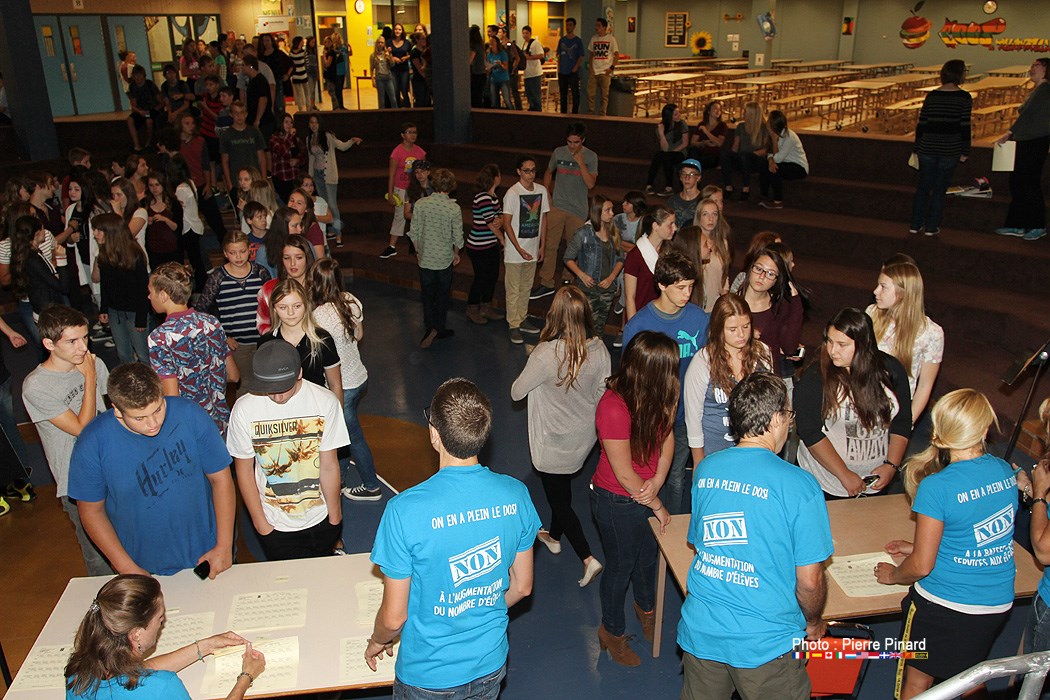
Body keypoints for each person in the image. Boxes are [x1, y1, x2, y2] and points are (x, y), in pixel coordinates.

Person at [365, 378, 540, 693]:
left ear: (434, 433)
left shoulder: (404, 511)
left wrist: (377, 641)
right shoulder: (516, 495)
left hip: (428, 675)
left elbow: (393, 618)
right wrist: (477, 611)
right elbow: (523, 586)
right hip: (490, 663)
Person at [679, 372, 832, 700]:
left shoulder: (706, 468)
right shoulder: (800, 485)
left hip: (702, 630)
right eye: (788, 416)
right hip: (766, 642)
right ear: (777, 418)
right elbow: (809, 581)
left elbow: (702, 541)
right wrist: (814, 621)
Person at [875, 389, 1017, 699]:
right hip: (996, 603)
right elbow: (982, 532)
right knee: (968, 675)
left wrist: (894, 575)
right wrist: (919, 545)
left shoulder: (937, 487)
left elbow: (922, 567)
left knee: (917, 680)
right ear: (983, 430)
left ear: (937, 431)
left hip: (944, 606)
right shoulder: (1005, 472)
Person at [69, 362, 235, 577]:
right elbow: (91, 511)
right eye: (139, 418)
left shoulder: (191, 414)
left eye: (158, 410)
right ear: (117, 410)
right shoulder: (92, 443)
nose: (153, 423)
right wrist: (126, 567)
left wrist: (224, 545)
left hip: (206, 552)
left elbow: (221, 479)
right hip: (140, 562)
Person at [512, 286, 608, 587]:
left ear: (555, 316)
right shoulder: (601, 350)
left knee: (560, 501)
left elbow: (516, 392)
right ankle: (553, 538)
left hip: (552, 441)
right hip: (582, 440)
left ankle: (587, 557)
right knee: (561, 488)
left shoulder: (545, 355)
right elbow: (603, 393)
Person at [591, 331, 676, 666]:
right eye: (670, 368)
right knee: (620, 567)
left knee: (647, 560)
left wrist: (657, 480)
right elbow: (625, 474)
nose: (675, 375)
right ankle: (610, 632)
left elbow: (667, 441)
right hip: (617, 501)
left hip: (645, 491)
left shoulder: (660, 395)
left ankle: (646, 609)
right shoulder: (613, 407)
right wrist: (656, 503)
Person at [229, 339, 348, 560]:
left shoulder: (325, 401)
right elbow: (244, 470)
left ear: (299, 373)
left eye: (284, 387)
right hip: (274, 523)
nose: (277, 396)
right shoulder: (244, 409)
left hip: (320, 517)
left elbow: (329, 465)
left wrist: (335, 516)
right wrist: (261, 524)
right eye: (269, 390)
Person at [64, 574, 265, 700]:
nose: (163, 622)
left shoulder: (78, 671)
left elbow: (136, 673)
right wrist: (246, 677)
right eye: (160, 619)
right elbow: (146, 680)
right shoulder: (162, 687)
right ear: (136, 634)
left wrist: (205, 646)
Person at [22, 305, 113, 576]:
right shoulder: (37, 386)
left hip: (111, 467)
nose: (82, 348)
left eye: (84, 338)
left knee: (131, 542)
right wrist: (89, 377)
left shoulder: (94, 363)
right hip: (77, 480)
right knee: (98, 556)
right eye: (72, 341)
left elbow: (111, 412)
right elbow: (82, 428)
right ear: (49, 343)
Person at [623, 252, 710, 515]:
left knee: (675, 478)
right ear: (661, 284)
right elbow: (630, 378)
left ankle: (668, 528)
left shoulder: (699, 319)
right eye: (680, 287)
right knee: (651, 474)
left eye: (691, 286)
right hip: (654, 417)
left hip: (688, 414)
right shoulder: (640, 325)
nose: (687, 293)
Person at [794, 308, 912, 498]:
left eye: (842, 344)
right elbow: (810, 431)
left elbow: (902, 422)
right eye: (830, 342)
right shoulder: (815, 377)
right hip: (825, 482)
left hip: (874, 480)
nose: (833, 351)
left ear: (863, 344)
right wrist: (844, 474)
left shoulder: (891, 371)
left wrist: (891, 465)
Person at [310, 258, 381, 501]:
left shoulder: (318, 315)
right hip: (359, 376)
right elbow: (359, 335)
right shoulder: (351, 300)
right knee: (342, 432)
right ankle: (339, 478)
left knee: (353, 438)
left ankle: (371, 485)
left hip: (341, 385)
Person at [148, 262, 237, 434]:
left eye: (150, 291)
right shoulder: (212, 323)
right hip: (220, 424)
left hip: (190, 428)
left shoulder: (159, 338)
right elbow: (233, 375)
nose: (148, 296)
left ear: (164, 295)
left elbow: (172, 397)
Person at [685, 293, 772, 464]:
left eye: (746, 326)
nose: (741, 334)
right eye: (732, 330)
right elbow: (693, 417)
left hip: (753, 452)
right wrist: (698, 462)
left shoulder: (762, 353)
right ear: (718, 329)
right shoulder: (703, 360)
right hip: (714, 452)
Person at [867, 261, 944, 425]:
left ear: (902, 293)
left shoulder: (931, 333)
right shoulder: (871, 314)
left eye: (883, 286)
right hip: (862, 400)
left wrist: (907, 423)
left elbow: (924, 386)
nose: (875, 291)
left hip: (896, 409)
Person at [533, 122, 598, 299]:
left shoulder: (591, 157)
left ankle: (568, 279)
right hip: (557, 206)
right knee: (550, 246)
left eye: (576, 142)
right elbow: (548, 172)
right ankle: (546, 282)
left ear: (583, 140)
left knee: (573, 249)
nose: (572, 146)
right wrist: (547, 193)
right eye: (569, 141)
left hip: (577, 210)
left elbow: (591, 184)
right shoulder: (558, 152)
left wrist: (581, 163)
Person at [909, 60, 971, 236]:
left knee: (922, 188)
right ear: (960, 74)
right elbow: (964, 126)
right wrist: (965, 150)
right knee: (939, 190)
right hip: (949, 149)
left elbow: (922, 124)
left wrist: (917, 146)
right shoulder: (964, 97)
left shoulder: (932, 96)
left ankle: (915, 225)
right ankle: (931, 227)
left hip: (927, 148)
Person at [408, 168, 464, 349]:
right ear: (451, 186)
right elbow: (458, 236)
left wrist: (418, 252)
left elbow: (414, 231)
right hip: (444, 259)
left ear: (434, 183)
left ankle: (429, 326)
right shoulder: (453, 208)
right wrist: (456, 252)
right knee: (442, 296)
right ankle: (439, 327)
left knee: (427, 295)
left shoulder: (422, 204)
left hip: (426, 259)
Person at [995, 58, 1050, 241]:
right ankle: (1017, 223)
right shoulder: (1038, 89)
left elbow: (1027, 115)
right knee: (1019, 181)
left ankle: (1037, 225)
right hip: (1027, 140)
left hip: (1034, 141)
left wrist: (1009, 132)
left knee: (1029, 182)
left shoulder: (1045, 89)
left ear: (1045, 69)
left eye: (1036, 65)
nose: (1031, 68)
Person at [263, 277, 341, 398]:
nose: (290, 313)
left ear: (305, 306)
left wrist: (337, 415)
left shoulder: (322, 339)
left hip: (316, 405)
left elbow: (335, 384)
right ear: (274, 309)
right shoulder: (266, 342)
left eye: (297, 306)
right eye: (283, 307)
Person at [739, 246, 804, 391]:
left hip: (768, 385)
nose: (762, 276)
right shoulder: (732, 304)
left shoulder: (779, 307)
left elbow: (789, 347)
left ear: (776, 280)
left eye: (770, 274)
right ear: (751, 268)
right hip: (736, 381)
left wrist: (796, 305)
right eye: (759, 269)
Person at [91, 213, 150, 364]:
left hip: (134, 313)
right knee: (123, 354)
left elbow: (143, 288)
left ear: (111, 232)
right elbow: (105, 283)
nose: (94, 234)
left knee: (143, 354)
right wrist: (103, 309)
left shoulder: (134, 254)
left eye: (98, 230)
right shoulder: (104, 254)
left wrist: (141, 318)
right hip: (114, 312)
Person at [503, 156, 549, 344]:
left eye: (533, 170)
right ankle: (513, 324)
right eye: (527, 171)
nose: (531, 175)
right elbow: (506, 224)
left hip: (532, 248)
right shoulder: (513, 193)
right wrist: (518, 248)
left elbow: (543, 219)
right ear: (519, 172)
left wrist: (542, 245)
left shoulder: (542, 191)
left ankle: (522, 318)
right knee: (513, 289)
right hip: (515, 252)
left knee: (526, 287)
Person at [563, 194, 623, 336]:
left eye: (612, 209)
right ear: (597, 212)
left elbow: (620, 258)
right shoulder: (584, 233)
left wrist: (611, 278)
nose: (612, 213)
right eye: (607, 210)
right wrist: (581, 275)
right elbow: (568, 257)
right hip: (587, 289)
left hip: (607, 289)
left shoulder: (614, 231)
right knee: (584, 327)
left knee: (599, 328)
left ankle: (595, 353)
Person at [305, 114, 362, 247]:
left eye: (316, 122)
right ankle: (331, 229)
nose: (314, 125)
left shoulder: (328, 137)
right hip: (318, 175)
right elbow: (311, 159)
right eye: (311, 122)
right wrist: (310, 178)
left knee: (332, 203)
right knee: (324, 203)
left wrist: (352, 140)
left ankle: (338, 233)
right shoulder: (309, 139)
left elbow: (342, 146)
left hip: (328, 175)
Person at [466, 164, 506, 325]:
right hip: (478, 245)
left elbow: (500, 218)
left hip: (490, 244)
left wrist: (500, 220)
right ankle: (472, 308)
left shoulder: (493, 196)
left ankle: (486, 306)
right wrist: (502, 239)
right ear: (495, 178)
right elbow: (491, 222)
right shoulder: (482, 197)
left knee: (492, 276)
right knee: (481, 277)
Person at [623, 205, 676, 321]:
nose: (675, 228)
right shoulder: (635, 256)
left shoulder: (670, 253)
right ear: (655, 226)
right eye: (670, 224)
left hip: (664, 317)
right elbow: (630, 298)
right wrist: (634, 326)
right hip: (642, 318)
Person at [381, 122, 426, 259]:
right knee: (400, 215)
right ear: (402, 135)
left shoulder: (420, 152)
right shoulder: (397, 152)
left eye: (414, 132)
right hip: (400, 188)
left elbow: (424, 173)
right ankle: (392, 246)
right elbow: (392, 174)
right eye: (409, 132)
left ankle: (417, 243)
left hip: (416, 189)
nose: (412, 135)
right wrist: (391, 194)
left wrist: (425, 191)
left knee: (417, 215)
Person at [759, 109, 809, 210]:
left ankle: (778, 201)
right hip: (784, 163)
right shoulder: (773, 133)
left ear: (773, 125)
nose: (766, 123)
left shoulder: (789, 136)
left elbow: (777, 158)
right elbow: (769, 152)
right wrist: (770, 160)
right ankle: (764, 196)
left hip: (798, 167)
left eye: (769, 121)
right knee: (764, 165)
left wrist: (774, 141)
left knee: (776, 168)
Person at [721, 101, 770, 201]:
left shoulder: (764, 128)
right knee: (726, 154)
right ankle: (728, 187)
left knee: (745, 155)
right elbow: (735, 146)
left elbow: (766, 150)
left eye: (745, 111)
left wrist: (750, 155)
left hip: (757, 160)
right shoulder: (741, 127)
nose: (743, 113)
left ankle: (746, 188)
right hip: (742, 158)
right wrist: (732, 158)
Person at [692, 196, 730, 311]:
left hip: (717, 305)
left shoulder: (723, 243)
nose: (711, 219)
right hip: (697, 304)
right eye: (705, 214)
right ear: (699, 217)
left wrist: (725, 292)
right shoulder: (693, 242)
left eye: (714, 214)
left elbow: (725, 272)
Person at [220, 101, 267, 193]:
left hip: (255, 180)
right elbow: (224, 161)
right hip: (237, 181)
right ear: (231, 114)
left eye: (242, 112)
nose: (239, 116)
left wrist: (264, 179)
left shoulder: (255, 132)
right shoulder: (226, 135)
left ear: (246, 114)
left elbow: (262, 158)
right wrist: (229, 183)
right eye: (236, 113)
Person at [142, 171, 183, 271]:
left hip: (172, 248)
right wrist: (147, 221)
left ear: (163, 185)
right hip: (153, 249)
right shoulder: (144, 203)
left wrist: (164, 219)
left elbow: (178, 227)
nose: (154, 188)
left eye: (157, 185)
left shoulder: (174, 203)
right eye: (151, 185)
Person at [646, 105, 689, 196]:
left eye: (678, 113)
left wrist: (672, 152)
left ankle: (669, 187)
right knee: (658, 156)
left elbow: (685, 143)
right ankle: (649, 185)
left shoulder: (682, 124)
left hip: (679, 152)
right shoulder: (661, 127)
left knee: (666, 156)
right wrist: (661, 134)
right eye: (675, 115)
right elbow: (664, 148)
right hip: (666, 152)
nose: (679, 116)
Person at [126, 65, 163, 152]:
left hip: (152, 110)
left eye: (139, 75)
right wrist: (139, 111)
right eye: (135, 75)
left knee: (149, 121)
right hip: (141, 111)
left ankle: (148, 143)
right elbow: (133, 104)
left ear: (143, 75)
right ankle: (137, 145)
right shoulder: (132, 87)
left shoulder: (150, 85)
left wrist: (154, 109)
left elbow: (161, 102)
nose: (137, 77)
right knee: (130, 120)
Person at [586, 18, 618, 116]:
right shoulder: (594, 39)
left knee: (604, 95)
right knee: (590, 93)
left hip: (605, 71)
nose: (596, 28)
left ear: (604, 27)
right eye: (596, 25)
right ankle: (591, 112)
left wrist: (611, 68)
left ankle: (602, 113)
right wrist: (591, 68)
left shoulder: (611, 39)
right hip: (594, 70)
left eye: (599, 26)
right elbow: (591, 54)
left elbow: (616, 55)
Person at [269, 114, 301, 204]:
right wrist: (289, 137)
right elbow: (281, 151)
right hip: (281, 177)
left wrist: (298, 161)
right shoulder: (274, 139)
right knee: (285, 205)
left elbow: (303, 154)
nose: (289, 125)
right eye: (286, 122)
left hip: (294, 177)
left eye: (291, 122)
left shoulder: (296, 139)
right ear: (281, 123)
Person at [557, 18, 585, 114]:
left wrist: (575, 67)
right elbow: (559, 55)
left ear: (573, 26)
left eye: (570, 25)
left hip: (572, 72)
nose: (568, 27)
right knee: (563, 95)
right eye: (567, 25)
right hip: (562, 71)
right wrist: (559, 69)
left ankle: (575, 113)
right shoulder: (562, 40)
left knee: (575, 94)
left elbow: (581, 56)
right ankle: (563, 113)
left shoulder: (578, 41)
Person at [668, 158, 704, 231]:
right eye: (684, 174)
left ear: (698, 177)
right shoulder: (672, 201)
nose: (687, 178)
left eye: (692, 174)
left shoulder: (704, 200)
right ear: (680, 177)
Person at [689, 100, 727, 170]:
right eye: (715, 109)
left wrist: (706, 131)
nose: (718, 111)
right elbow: (693, 142)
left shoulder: (722, 125)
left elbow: (719, 143)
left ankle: (694, 168)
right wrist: (703, 143)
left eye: (719, 109)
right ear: (708, 111)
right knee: (693, 151)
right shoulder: (701, 124)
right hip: (701, 152)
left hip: (713, 155)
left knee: (699, 161)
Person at [520, 26, 545, 111]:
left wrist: (529, 57)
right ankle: (532, 109)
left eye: (526, 33)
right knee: (529, 95)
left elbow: (541, 55)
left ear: (530, 33)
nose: (525, 35)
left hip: (535, 73)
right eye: (523, 33)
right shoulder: (524, 44)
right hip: (527, 73)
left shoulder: (535, 43)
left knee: (535, 95)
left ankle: (538, 111)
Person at [485, 37, 512, 109]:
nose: (491, 43)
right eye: (490, 42)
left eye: (493, 42)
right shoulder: (489, 54)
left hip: (503, 79)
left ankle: (512, 113)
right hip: (494, 79)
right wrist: (488, 68)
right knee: (494, 100)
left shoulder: (502, 54)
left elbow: (506, 68)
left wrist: (500, 64)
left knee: (506, 99)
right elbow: (488, 65)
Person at [389, 23, 412, 107]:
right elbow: (386, 54)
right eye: (396, 29)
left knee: (404, 90)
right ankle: (397, 109)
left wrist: (406, 57)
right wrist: (393, 58)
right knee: (395, 91)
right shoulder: (389, 42)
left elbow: (411, 54)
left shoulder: (407, 42)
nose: (397, 31)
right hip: (393, 70)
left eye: (399, 29)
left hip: (404, 70)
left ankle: (408, 109)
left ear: (402, 31)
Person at [370, 37, 397, 110]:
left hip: (388, 78)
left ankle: (396, 114)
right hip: (379, 78)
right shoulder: (373, 56)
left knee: (393, 99)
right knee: (381, 101)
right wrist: (372, 80)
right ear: (376, 44)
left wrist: (389, 57)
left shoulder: (387, 53)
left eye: (382, 42)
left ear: (384, 44)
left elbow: (392, 65)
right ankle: (382, 116)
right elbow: (371, 69)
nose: (380, 44)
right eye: (379, 42)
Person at [409, 32, 431, 108]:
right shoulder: (414, 52)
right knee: (420, 102)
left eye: (425, 38)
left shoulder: (426, 51)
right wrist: (427, 78)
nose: (425, 40)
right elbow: (420, 69)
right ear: (417, 40)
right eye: (422, 38)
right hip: (419, 80)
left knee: (427, 101)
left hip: (426, 79)